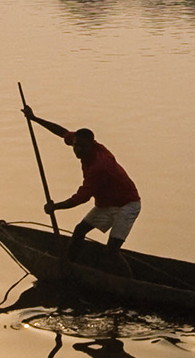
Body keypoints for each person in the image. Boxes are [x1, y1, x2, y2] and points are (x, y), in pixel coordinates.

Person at [25, 105, 141, 272]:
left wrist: (55, 207)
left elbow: (81, 198)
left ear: (91, 145)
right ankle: (67, 265)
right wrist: (35, 118)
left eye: (81, 147)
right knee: (80, 231)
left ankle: (129, 284)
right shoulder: (83, 143)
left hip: (127, 205)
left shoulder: (99, 166)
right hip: (108, 203)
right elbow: (62, 133)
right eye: (75, 146)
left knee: (112, 250)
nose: (77, 150)